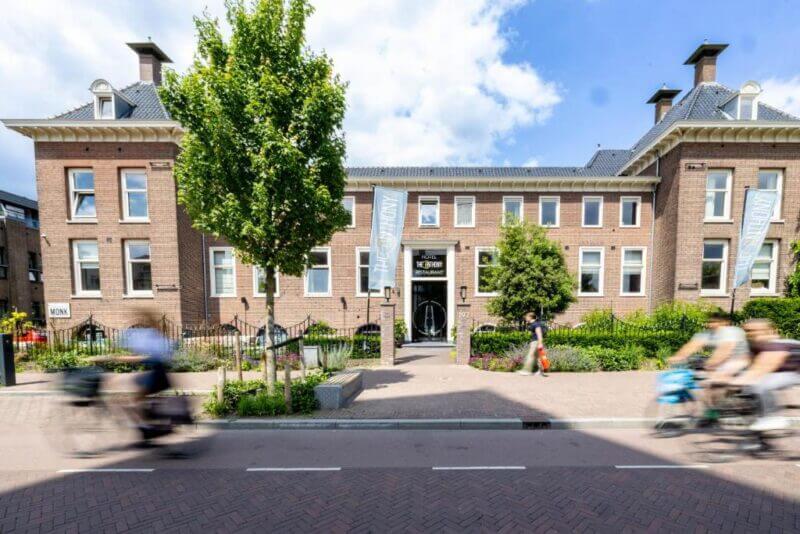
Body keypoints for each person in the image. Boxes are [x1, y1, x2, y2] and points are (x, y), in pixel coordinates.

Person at [668, 311, 750, 421]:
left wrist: (710, 363)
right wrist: (677, 357)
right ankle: (713, 408)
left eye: (716, 322)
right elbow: (692, 346)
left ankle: (715, 410)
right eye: (710, 322)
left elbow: (726, 349)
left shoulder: (731, 331)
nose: (712, 324)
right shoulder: (707, 334)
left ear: (725, 323)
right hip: (722, 363)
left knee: (713, 381)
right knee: (704, 382)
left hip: (739, 360)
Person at [729, 319, 800, 431]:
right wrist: (723, 376)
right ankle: (760, 420)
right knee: (751, 386)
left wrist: (738, 381)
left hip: (794, 373)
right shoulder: (755, 345)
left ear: (769, 331)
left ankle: (772, 418)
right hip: (781, 371)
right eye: (747, 331)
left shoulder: (776, 345)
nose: (751, 334)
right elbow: (742, 362)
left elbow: (763, 368)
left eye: (756, 330)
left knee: (761, 384)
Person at [518, 312, 547, 376]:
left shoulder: (535, 324)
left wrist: (540, 343)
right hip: (535, 342)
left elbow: (539, 333)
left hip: (536, 342)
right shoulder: (533, 324)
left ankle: (526, 370)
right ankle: (540, 371)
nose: (526, 318)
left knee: (530, 356)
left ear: (530, 317)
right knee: (537, 357)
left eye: (526, 317)